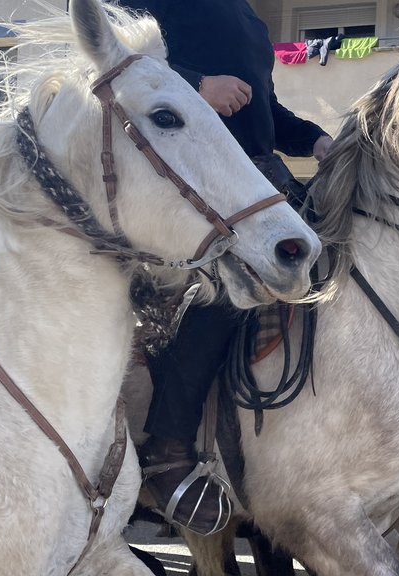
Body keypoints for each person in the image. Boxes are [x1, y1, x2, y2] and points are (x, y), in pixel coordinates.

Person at [119, 0, 332, 534]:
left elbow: (267, 114)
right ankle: (168, 450)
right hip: (193, 184)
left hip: (257, 179)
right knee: (228, 294)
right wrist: (197, 85)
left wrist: (318, 139)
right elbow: (115, 64)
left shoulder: (251, 19)